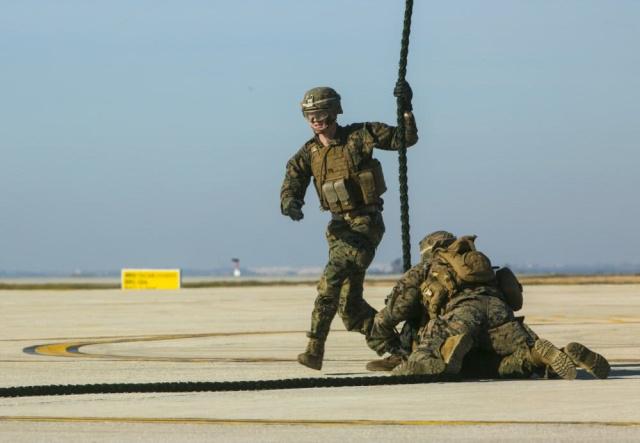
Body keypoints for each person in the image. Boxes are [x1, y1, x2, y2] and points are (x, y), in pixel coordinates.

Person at [280, 82, 418, 370]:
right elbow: (292, 182)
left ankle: (314, 348)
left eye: (321, 114)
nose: (316, 121)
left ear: (334, 113)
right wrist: (290, 202)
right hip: (338, 230)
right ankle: (399, 352)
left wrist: (406, 108)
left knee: (330, 281)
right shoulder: (308, 154)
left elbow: (404, 139)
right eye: (310, 116)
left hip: (365, 225)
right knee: (350, 309)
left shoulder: (360, 136)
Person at [366, 231, 610, 380]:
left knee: (426, 356)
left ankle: (445, 354)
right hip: (499, 313)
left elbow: (395, 310)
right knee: (497, 365)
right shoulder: (476, 264)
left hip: (461, 315)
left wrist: (380, 336)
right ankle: (544, 354)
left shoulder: (428, 267)